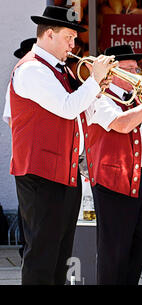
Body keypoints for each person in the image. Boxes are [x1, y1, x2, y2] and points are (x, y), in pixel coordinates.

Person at [10, 6, 115, 285]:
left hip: (63, 173)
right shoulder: (32, 68)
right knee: (42, 256)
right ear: (48, 34)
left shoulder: (59, 70)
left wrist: (98, 88)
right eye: (69, 37)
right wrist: (93, 80)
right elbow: (68, 108)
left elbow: (81, 115)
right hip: (41, 174)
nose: (73, 45)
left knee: (59, 255)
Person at [85, 44, 142, 285]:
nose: (138, 74)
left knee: (137, 248)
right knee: (114, 251)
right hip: (114, 183)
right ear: (113, 72)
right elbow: (122, 124)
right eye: (131, 70)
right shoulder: (98, 97)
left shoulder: (138, 98)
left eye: (137, 69)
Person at [3, 37, 36, 259]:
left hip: (31, 155)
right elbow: (12, 120)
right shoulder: (20, 78)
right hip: (28, 156)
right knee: (29, 213)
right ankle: (26, 250)